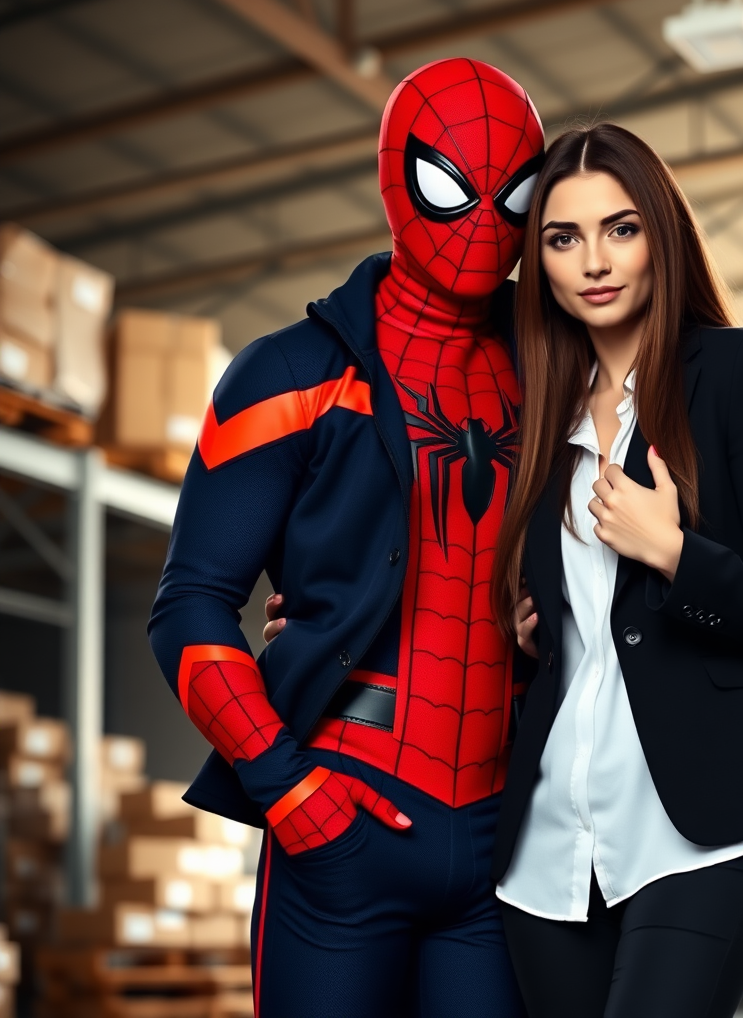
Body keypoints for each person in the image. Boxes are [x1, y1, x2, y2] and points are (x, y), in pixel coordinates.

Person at [148, 58, 544, 1018]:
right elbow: (191, 604)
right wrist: (288, 790)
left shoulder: (556, 374)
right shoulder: (288, 374)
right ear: (394, 179)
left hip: (509, 838)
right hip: (345, 819)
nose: (485, 223)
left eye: (515, 194)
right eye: (452, 189)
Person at [488, 122, 743, 1018]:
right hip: (551, 845)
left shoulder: (736, 373)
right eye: (563, 239)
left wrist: (676, 554)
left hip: (699, 827)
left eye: (621, 228)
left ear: (662, 233)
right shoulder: (537, 413)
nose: (593, 262)